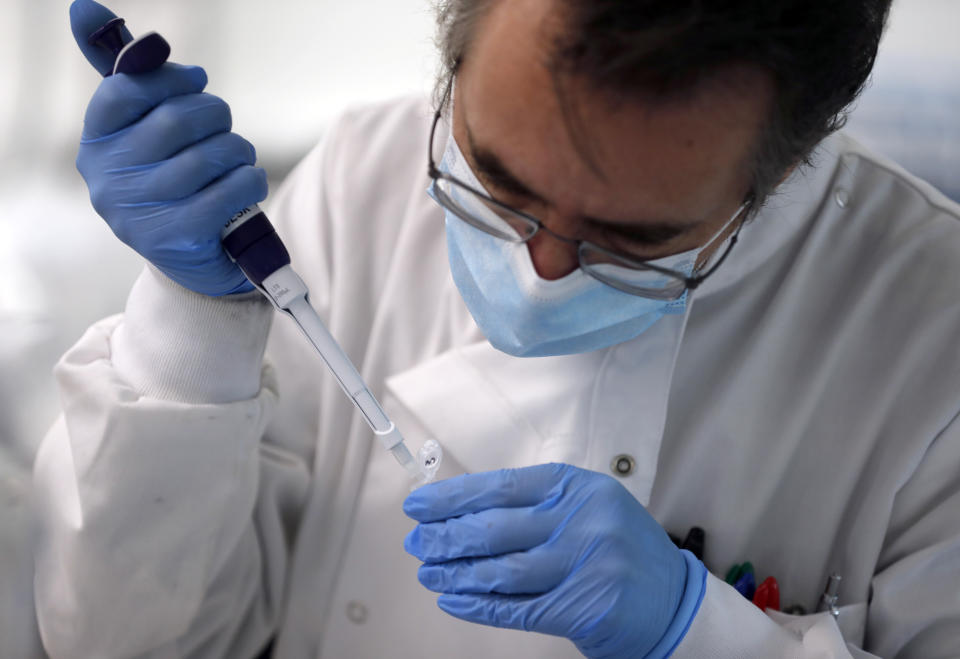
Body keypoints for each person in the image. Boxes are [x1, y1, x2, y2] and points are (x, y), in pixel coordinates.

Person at [32, 0, 960, 657]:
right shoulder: (366, 174)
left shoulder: (927, 327)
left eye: (635, 238)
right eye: (498, 180)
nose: (541, 272)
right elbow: (135, 640)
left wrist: (703, 634)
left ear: (788, 164)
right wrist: (193, 327)